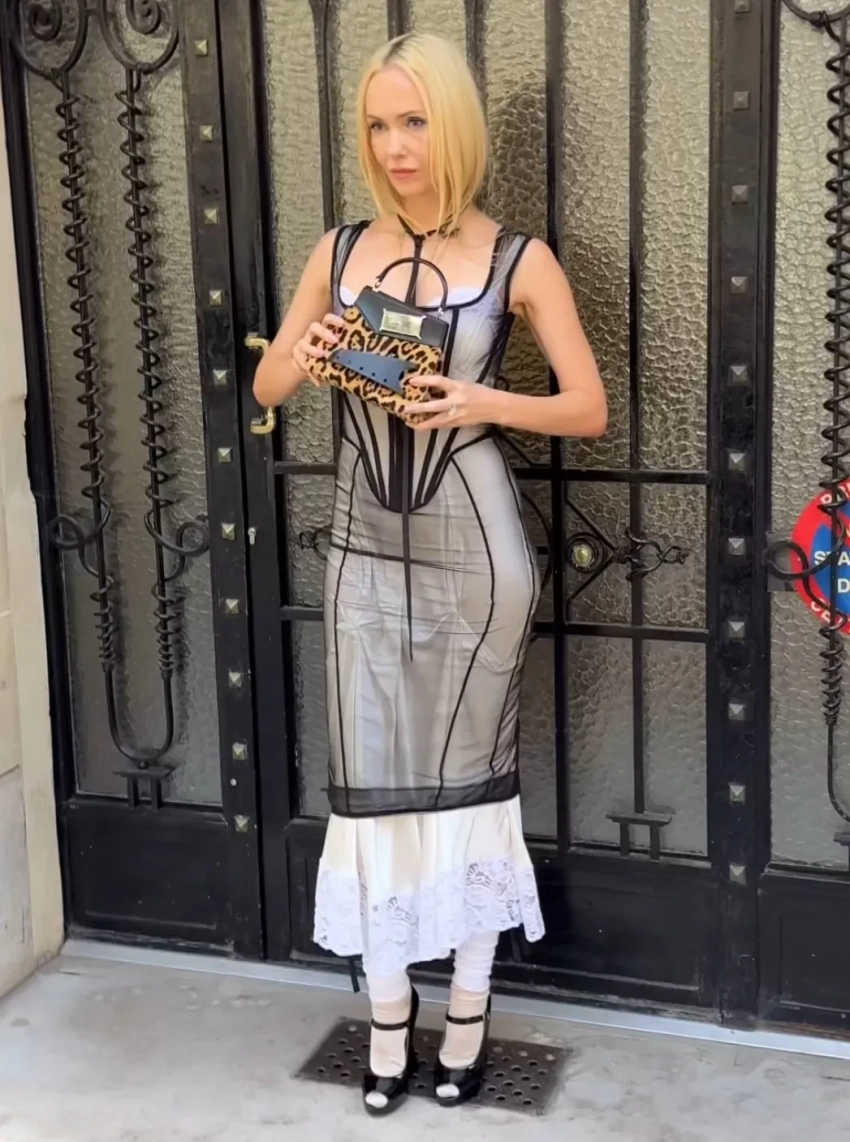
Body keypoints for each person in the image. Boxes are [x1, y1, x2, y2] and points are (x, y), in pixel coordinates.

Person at [253, 31, 607, 1117]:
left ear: (451, 127)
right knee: (370, 798)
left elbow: (587, 407)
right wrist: (310, 351)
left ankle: (468, 1014)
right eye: (377, 125)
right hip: (362, 550)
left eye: (413, 121)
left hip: (474, 555)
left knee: (466, 794)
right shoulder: (337, 250)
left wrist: (483, 400)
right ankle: (387, 1017)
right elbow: (267, 385)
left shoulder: (517, 260)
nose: (395, 145)